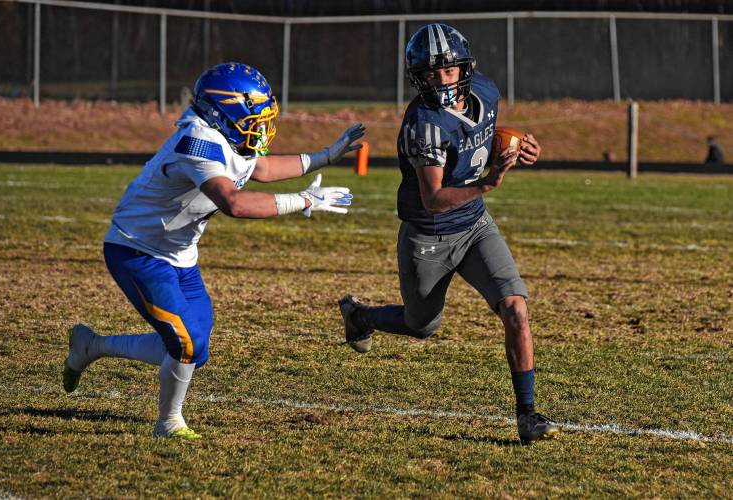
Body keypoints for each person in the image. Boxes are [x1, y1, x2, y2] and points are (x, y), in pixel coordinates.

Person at [63, 62, 365, 439]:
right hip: (137, 250)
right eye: (256, 116)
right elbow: (233, 203)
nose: (263, 125)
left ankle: (92, 346)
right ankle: (168, 423)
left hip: (180, 254)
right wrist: (303, 201)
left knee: (195, 348)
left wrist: (325, 156)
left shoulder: (225, 134)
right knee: (186, 342)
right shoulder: (197, 142)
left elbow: (263, 167)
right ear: (225, 112)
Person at [338, 24, 559, 444]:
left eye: (449, 70)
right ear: (418, 76)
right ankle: (361, 316)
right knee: (422, 325)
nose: (442, 79)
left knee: (516, 307)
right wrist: (488, 183)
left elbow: (481, 130)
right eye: (431, 73)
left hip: (475, 225)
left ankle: (527, 414)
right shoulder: (424, 124)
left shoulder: (487, 92)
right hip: (430, 236)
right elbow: (435, 198)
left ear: (465, 69)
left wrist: (519, 146)